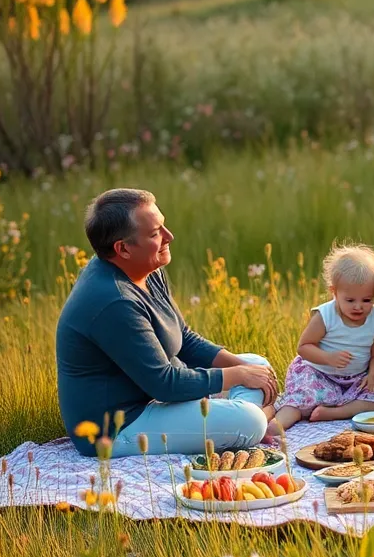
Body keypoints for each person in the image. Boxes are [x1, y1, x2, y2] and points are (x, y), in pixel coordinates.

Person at [56, 189, 277, 457]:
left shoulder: (144, 268)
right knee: (249, 420)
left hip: (154, 397)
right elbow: (165, 384)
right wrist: (237, 376)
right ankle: (249, 422)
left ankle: (236, 422)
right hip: (118, 427)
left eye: (163, 226)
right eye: (154, 234)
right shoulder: (113, 301)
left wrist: (243, 368)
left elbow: (183, 337)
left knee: (257, 364)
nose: (169, 236)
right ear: (123, 248)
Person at [266, 244, 374, 434]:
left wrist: (373, 376)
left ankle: (336, 412)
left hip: (357, 378)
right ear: (334, 292)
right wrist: (328, 358)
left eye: (367, 300)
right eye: (350, 300)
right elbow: (304, 347)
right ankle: (276, 427)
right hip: (319, 374)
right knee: (300, 399)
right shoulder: (326, 316)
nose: (358, 307)